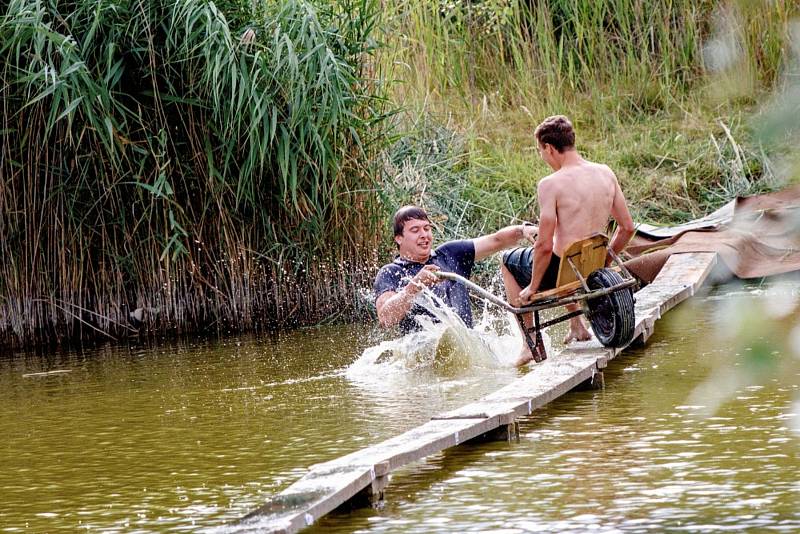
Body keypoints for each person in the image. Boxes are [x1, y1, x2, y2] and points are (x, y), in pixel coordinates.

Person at [501, 115, 635, 366]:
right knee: (569, 253)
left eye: (540, 151)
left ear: (549, 148)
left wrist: (532, 286)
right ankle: (577, 324)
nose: (542, 157)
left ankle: (529, 344)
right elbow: (627, 227)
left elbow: (543, 246)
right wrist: (604, 261)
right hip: (589, 265)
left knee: (507, 260)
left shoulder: (550, 184)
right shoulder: (606, 173)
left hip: (560, 271)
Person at [374, 206, 538, 333]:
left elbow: (496, 240)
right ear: (399, 238)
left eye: (427, 228)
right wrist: (414, 286)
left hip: (467, 345)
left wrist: (523, 230)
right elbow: (385, 318)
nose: (424, 235)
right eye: (415, 230)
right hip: (423, 354)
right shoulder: (391, 272)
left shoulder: (450, 253)